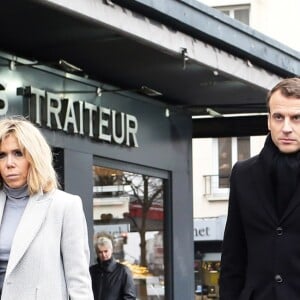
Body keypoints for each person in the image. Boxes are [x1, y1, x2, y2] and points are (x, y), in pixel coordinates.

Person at [219, 77, 300, 300]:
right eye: (278, 117)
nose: (286, 128)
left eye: (296, 118)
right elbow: (233, 259)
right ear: (268, 121)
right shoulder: (243, 174)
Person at [0, 116, 93, 300]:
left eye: (18, 153)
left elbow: (79, 282)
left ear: (34, 156)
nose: (9, 163)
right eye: (2, 155)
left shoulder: (64, 206)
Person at [89, 236, 136, 300]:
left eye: (106, 251)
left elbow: (130, 297)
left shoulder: (123, 271)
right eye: (100, 252)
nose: (103, 255)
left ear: (111, 250)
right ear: (97, 253)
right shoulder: (92, 271)